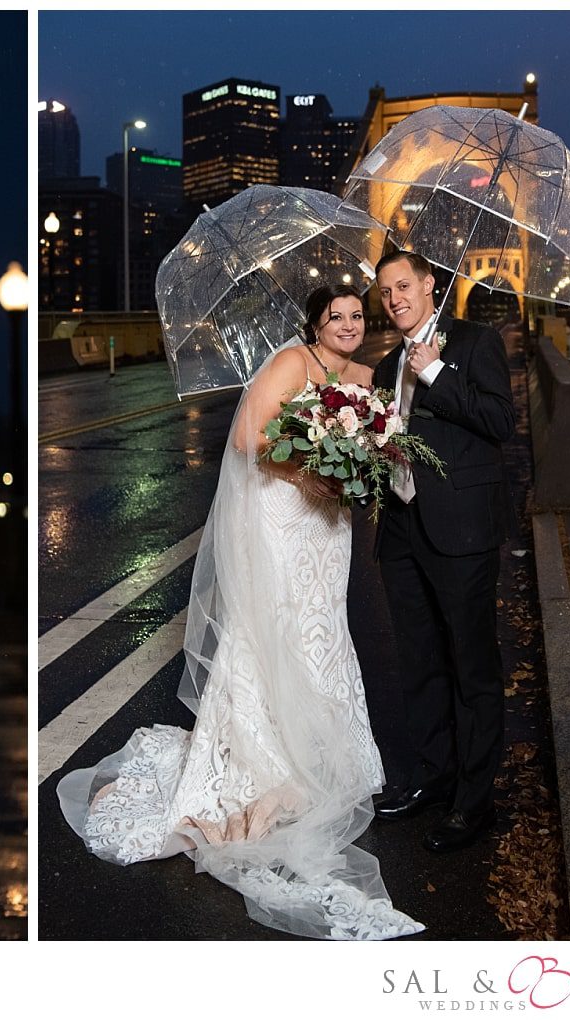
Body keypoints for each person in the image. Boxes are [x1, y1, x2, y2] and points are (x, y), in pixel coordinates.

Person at [56, 286, 424, 940]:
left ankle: (324, 752)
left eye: (355, 317)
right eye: (334, 316)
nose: (347, 325)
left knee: (321, 633)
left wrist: (359, 459)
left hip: (328, 528)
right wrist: (311, 464)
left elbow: (386, 450)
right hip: (284, 517)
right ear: (315, 323)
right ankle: (259, 756)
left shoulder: (370, 376)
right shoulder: (290, 364)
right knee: (275, 633)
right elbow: (249, 438)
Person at [365, 250, 516, 853]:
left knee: (471, 667)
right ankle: (434, 778)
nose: (395, 298)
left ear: (429, 286)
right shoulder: (383, 367)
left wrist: (437, 376)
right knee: (420, 663)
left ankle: (474, 803)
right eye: (386, 291)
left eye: (404, 286)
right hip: (402, 530)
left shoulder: (475, 342)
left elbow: (500, 422)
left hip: (462, 531)